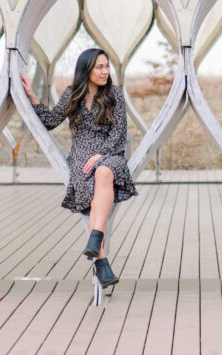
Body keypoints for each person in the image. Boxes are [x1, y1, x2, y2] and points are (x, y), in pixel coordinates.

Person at [20, 47, 137, 288]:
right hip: (82, 153)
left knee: (104, 171)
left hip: (109, 150)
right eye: (99, 67)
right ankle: (101, 261)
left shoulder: (114, 94)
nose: (105, 71)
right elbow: (52, 121)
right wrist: (32, 97)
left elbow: (119, 132)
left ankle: (95, 240)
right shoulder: (72, 93)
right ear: (87, 70)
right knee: (92, 189)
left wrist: (102, 154)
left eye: (107, 66)